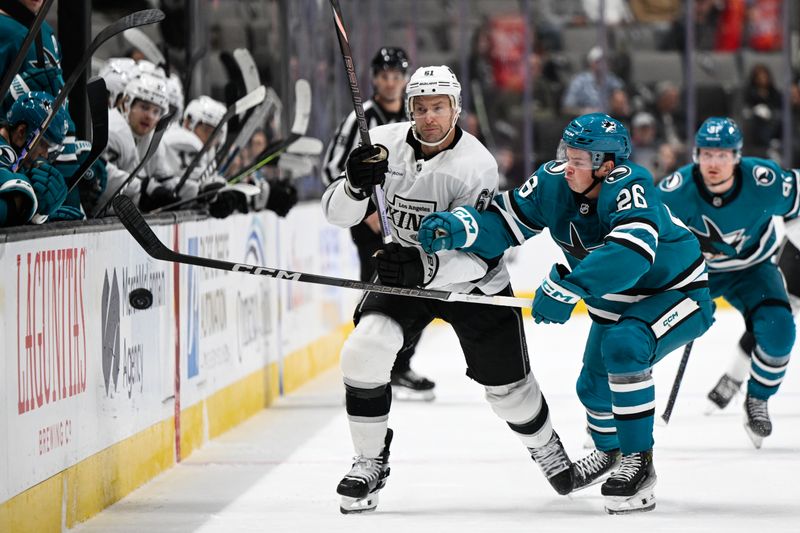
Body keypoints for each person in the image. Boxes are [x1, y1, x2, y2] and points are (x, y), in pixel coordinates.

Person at [418, 113, 714, 514]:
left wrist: (567, 286)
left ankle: (639, 464)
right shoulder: (554, 181)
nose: (567, 166)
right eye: (566, 155)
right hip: (616, 300)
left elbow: (632, 255)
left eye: (579, 160)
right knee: (592, 389)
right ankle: (610, 453)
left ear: (607, 166)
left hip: (678, 293)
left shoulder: (631, 183)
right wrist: (461, 227)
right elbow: (504, 222)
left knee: (626, 347)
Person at [322, 65, 573, 514]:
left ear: (455, 109)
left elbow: (478, 250)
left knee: (510, 393)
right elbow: (336, 214)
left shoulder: (475, 165)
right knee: (364, 350)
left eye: (439, 107)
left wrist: (423, 265)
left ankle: (545, 444)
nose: (430, 117)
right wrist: (354, 185)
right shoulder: (381, 142)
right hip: (405, 271)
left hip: (475, 282)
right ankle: (369, 461)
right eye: (421, 108)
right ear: (410, 108)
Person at [657, 117, 799, 448]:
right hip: (696, 275)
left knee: (780, 331)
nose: (714, 163)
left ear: (736, 156)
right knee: (647, 331)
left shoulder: (764, 179)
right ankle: (620, 410)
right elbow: (648, 237)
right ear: (695, 155)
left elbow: (797, 205)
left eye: (722, 155)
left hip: (753, 271)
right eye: (707, 154)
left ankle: (757, 399)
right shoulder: (675, 191)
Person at [322, 46, 435, 400]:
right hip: (369, 223)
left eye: (397, 76)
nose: (390, 82)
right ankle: (375, 367)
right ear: (374, 78)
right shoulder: (360, 119)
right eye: (385, 75)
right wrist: (365, 208)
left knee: (418, 291)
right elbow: (331, 167)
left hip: (409, 218)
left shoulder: (415, 115)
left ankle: (400, 367)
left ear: (405, 79)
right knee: (379, 290)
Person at [0, 91, 70, 225]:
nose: (45, 155)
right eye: (43, 144)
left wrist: (39, 215)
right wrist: (25, 204)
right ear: (21, 132)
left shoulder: (15, 157)